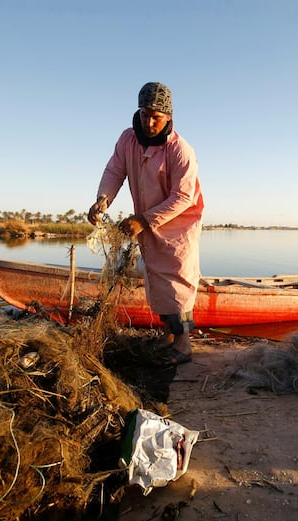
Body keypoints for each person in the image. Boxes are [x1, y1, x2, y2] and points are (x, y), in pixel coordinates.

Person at [87, 82, 204, 366]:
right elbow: (115, 170)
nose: (149, 122)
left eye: (156, 117)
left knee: (177, 281)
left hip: (178, 224)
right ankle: (168, 335)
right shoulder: (128, 139)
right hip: (148, 222)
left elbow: (184, 196)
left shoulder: (180, 149)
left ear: (168, 117)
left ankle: (184, 344)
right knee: (155, 278)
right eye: (144, 114)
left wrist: (143, 219)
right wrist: (103, 200)